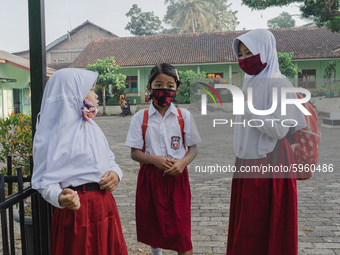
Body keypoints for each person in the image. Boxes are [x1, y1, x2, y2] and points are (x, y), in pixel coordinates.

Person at [227, 29, 307, 255]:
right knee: (248, 225)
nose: (243, 59)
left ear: (264, 51)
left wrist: (247, 107)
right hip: (246, 160)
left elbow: (280, 129)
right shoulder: (249, 81)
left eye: (249, 52)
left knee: (265, 223)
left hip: (270, 160)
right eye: (240, 54)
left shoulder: (279, 83)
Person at [32, 68, 128, 255]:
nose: (97, 96)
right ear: (73, 95)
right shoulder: (50, 136)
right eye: (91, 90)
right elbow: (43, 181)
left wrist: (116, 173)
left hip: (104, 204)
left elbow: (109, 159)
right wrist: (59, 196)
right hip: (77, 211)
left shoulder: (92, 127)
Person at [125, 63, 201, 255]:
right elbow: (134, 153)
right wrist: (154, 160)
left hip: (177, 178)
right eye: (158, 85)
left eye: (170, 85)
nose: (164, 90)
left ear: (177, 88)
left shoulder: (184, 116)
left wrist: (183, 163)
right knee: (153, 224)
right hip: (150, 178)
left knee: (182, 231)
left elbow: (193, 149)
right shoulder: (140, 118)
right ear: (149, 87)